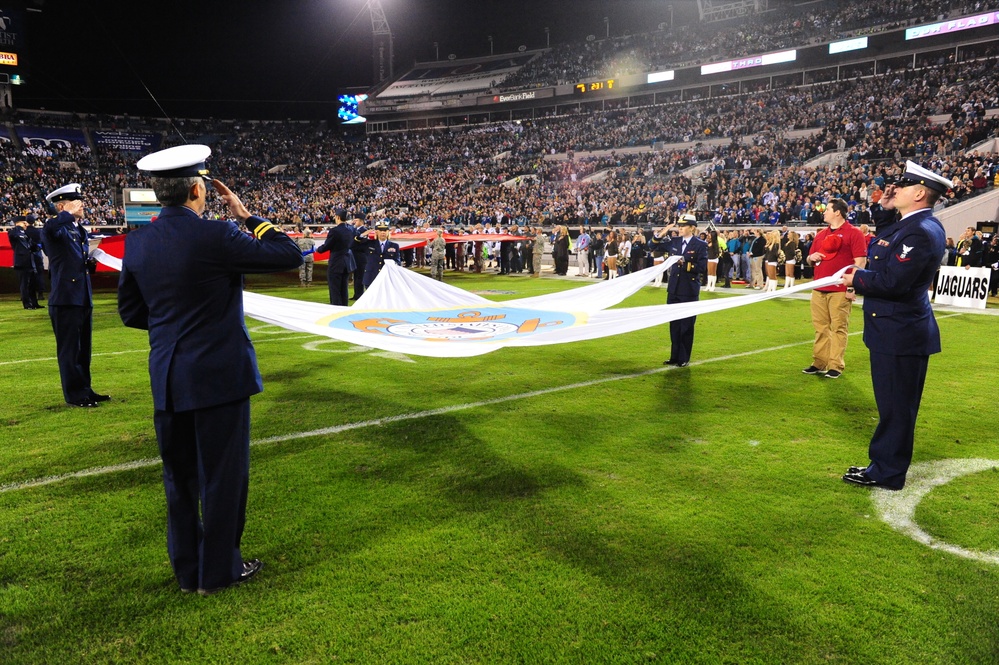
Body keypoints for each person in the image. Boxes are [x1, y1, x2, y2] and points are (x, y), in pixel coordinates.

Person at [117, 144, 303, 594]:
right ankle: (219, 570)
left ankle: (187, 570)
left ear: (159, 192)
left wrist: (172, 329)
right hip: (219, 377)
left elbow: (130, 312)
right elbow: (289, 253)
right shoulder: (218, 234)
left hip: (167, 378)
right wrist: (247, 215)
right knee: (222, 477)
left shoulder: (137, 243)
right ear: (198, 189)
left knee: (179, 480)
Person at [842, 162, 951, 491]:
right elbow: (886, 243)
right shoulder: (913, 225)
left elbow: (894, 281)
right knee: (893, 405)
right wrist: (884, 207)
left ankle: (887, 472)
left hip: (900, 333)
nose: (895, 189)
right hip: (896, 330)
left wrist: (857, 278)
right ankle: (883, 464)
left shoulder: (919, 231)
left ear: (919, 193)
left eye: (903, 186)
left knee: (896, 408)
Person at [42, 184, 108, 408]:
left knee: (83, 349)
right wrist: (65, 214)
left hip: (82, 296)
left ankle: (86, 390)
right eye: (76, 201)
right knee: (69, 350)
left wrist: (90, 262)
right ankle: (75, 395)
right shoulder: (56, 228)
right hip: (65, 298)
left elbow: (75, 261)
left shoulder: (78, 230)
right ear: (61, 206)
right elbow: (50, 230)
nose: (82, 205)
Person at [802, 199, 867, 379]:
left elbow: (860, 262)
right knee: (820, 327)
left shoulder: (853, 233)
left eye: (827, 209)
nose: (824, 212)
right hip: (819, 287)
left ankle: (835, 365)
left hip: (839, 288)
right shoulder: (821, 234)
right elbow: (810, 259)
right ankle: (819, 362)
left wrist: (852, 287)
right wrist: (811, 258)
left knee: (838, 327)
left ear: (838, 212)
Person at [651, 214, 708, 367]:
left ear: (692, 227)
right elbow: (652, 246)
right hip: (674, 289)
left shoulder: (700, 245)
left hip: (688, 289)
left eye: (683, 226)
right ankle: (674, 356)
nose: (680, 228)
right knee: (674, 325)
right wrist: (662, 233)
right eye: (679, 225)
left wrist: (686, 263)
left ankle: (684, 358)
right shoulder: (674, 242)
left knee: (686, 326)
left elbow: (702, 267)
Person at [314, 208, 357, 306]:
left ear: (337, 217)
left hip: (336, 263)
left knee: (335, 289)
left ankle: (335, 309)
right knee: (344, 288)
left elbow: (327, 245)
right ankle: (344, 308)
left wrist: (318, 249)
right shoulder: (351, 230)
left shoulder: (335, 231)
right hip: (347, 263)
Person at [7, 216, 40, 309]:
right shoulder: (14, 232)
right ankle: (27, 304)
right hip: (21, 261)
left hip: (30, 260)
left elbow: (31, 245)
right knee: (24, 283)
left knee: (32, 284)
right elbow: (14, 235)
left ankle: (34, 303)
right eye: (23, 222)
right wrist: (19, 226)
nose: (26, 224)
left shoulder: (25, 234)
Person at [358, 220, 401, 287]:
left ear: (388, 232)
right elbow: (354, 245)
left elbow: (397, 262)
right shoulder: (369, 244)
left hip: (387, 278)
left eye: (385, 231)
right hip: (371, 277)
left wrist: (392, 264)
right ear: (376, 232)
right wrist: (362, 235)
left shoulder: (394, 246)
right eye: (380, 230)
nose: (383, 233)